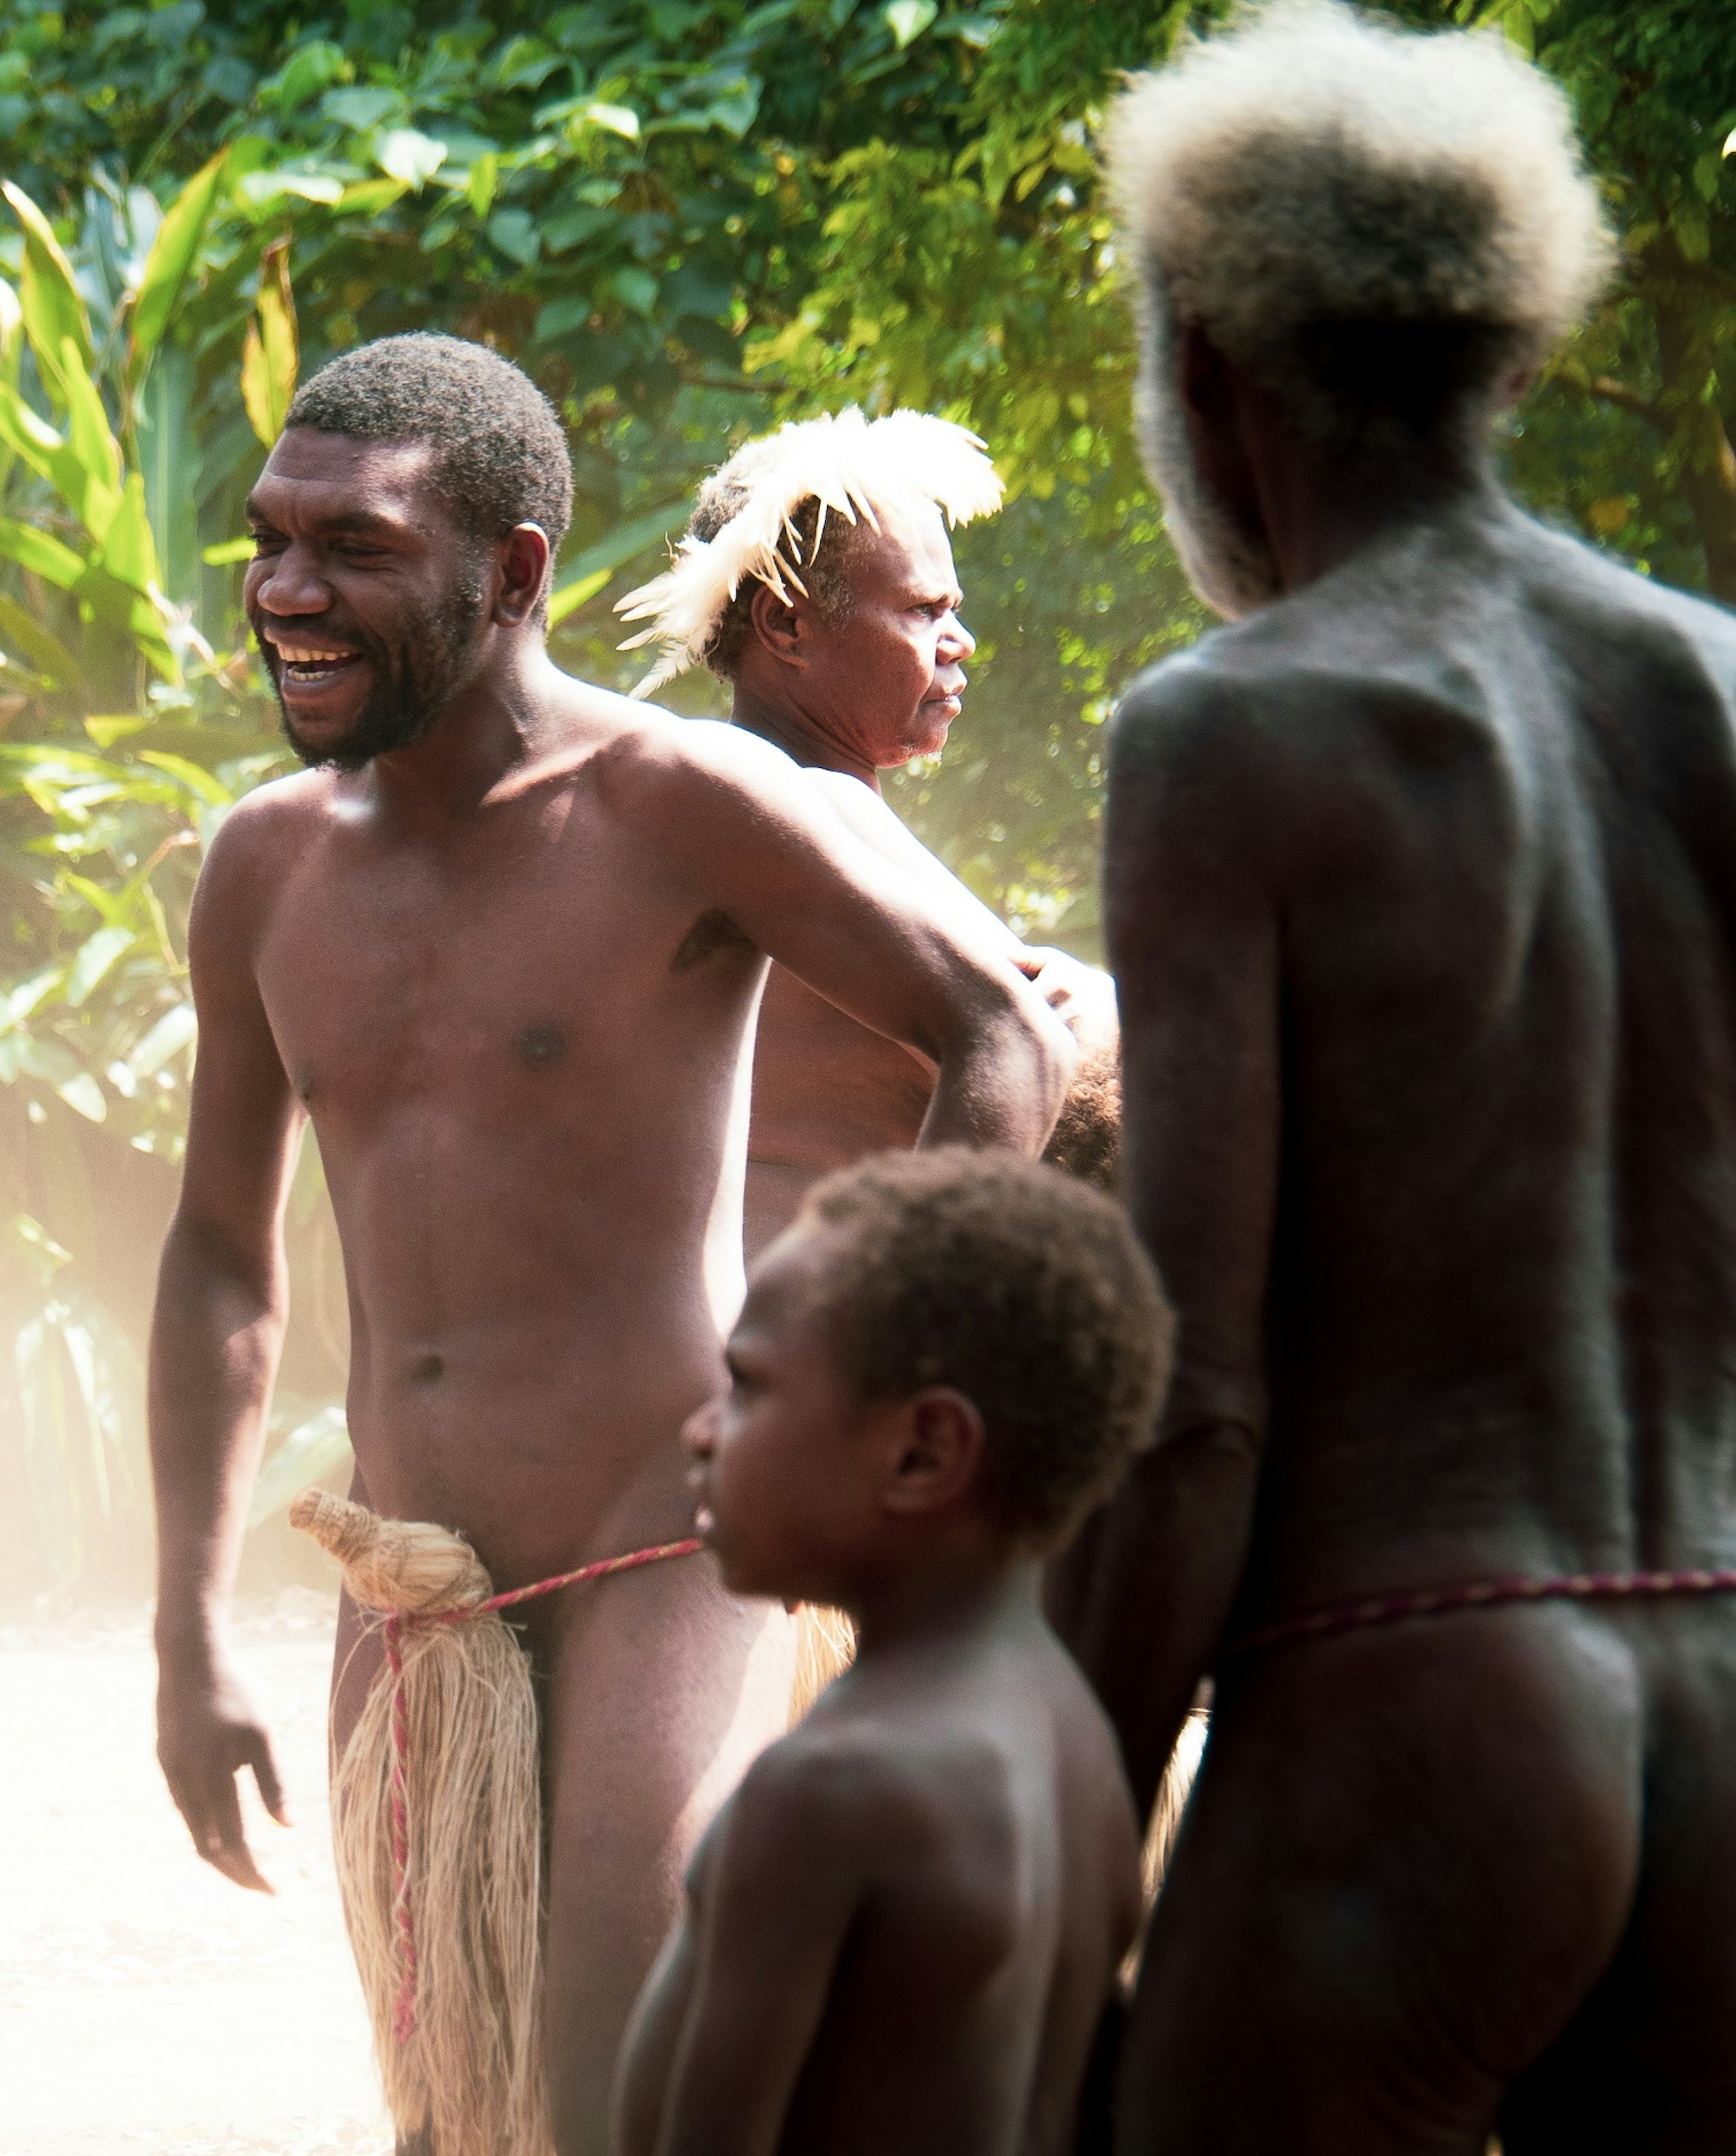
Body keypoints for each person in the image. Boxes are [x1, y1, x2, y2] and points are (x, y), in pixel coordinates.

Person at [149, 331, 1075, 2156]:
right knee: (452, 2120)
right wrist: (184, 1633)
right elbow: (217, 1263)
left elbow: (1006, 1039)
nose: (285, 591)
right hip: (410, 1588)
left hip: (672, 1545)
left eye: (353, 548)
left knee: (621, 2103)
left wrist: (863, 1388)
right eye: (269, 540)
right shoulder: (263, 868)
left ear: (510, 576)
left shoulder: (675, 802)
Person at [1054, 3, 1736, 2146]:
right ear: (1508, 349)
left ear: (1207, 359)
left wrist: (1057, 1806)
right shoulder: (1715, 684)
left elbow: (1196, 1394)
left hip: (1423, 1678)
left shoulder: (1231, 728)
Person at [617, 1149, 1169, 2156]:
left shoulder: (831, 1787)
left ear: (923, 1452)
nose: (701, 1431)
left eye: (746, 1385)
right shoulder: (1072, 1737)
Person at [617, 410, 1121, 1250]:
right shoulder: (813, 802)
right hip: (829, 1334)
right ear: (787, 626)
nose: (959, 642)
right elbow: (1055, 1043)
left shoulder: (694, 826)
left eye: (953, 609)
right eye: (923, 611)